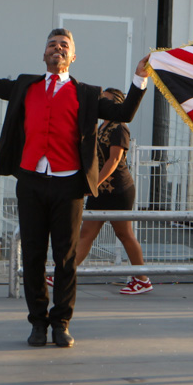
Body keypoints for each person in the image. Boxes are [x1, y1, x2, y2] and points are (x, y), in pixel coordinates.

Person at [0, 30, 149, 348]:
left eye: (64, 46)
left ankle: (61, 323)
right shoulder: (27, 86)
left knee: (65, 259)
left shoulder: (88, 94)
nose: (58, 49)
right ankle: (38, 322)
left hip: (68, 185)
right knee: (34, 257)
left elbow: (124, 114)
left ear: (73, 57)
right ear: (44, 55)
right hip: (31, 182)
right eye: (52, 45)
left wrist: (139, 77)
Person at [73, 88, 153, 296]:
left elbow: (114, 160)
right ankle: (65, 273)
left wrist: (94, 184)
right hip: (100, 190)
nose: (102, 105)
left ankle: (142, 279)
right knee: (86, 233)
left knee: (124, 234)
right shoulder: (101, 126)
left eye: (106, 101)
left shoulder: (119, 128)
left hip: (119, 190)